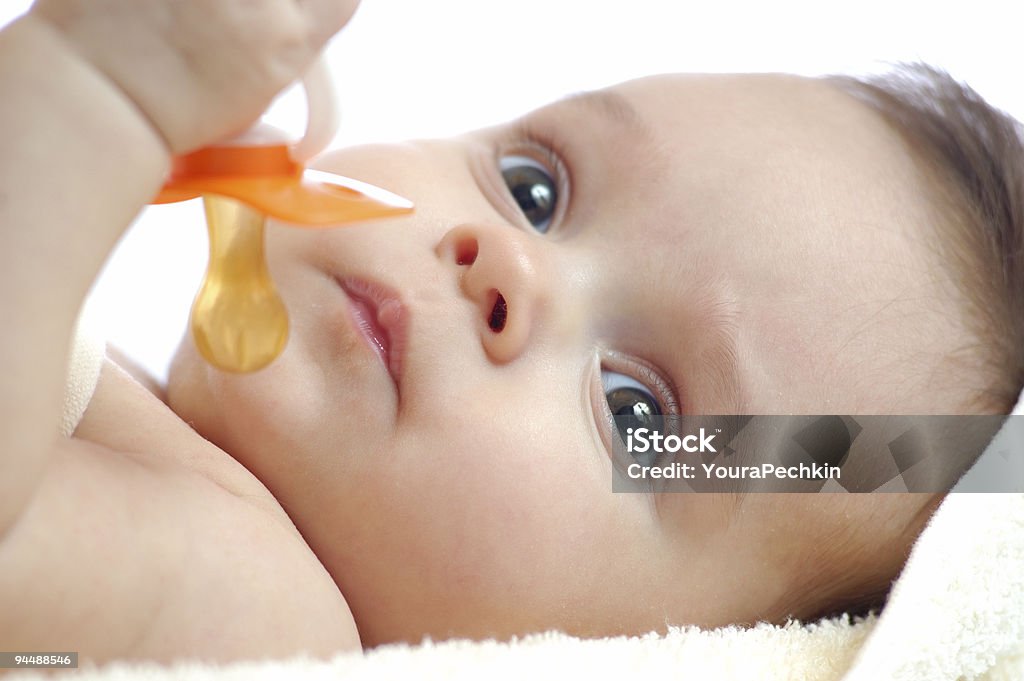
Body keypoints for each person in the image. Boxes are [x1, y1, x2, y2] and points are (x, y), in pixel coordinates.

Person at [2, 0, 1021, 665]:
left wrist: (96, 98)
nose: (505, 265)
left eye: (637, 411)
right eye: (534, 188)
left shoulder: (254, 615)